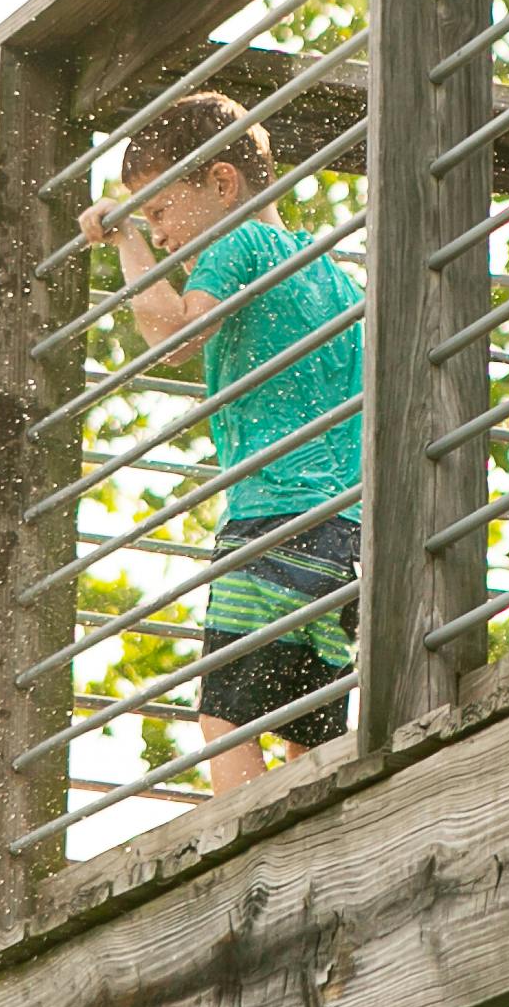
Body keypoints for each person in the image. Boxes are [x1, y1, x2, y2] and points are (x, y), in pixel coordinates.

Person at [79, 92, 362, 789]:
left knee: (225, 716)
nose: (161, 236)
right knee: (306, 726)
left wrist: (125, 243)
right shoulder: (331, 275)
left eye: (159, 212)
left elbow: (174, 336)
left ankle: (244, 838)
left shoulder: (238, 244)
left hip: (271, 522)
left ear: (222, 184)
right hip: (345, 535)